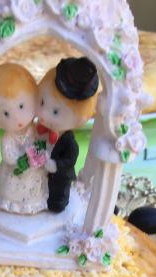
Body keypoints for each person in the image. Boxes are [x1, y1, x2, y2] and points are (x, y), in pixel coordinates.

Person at [0, 63, 49, 214]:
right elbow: (8, 156)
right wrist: (22, 158)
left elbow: (41, 144)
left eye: (21, 106)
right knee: (11, 188)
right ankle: (13, 203)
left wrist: (38, 153)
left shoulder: (35, 129)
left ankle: (36, 199)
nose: (18, 118)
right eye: (6, 113)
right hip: (15, 172)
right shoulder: (8, 138)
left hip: (35, 172)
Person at [37, 57, 99, 213]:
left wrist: (54, 165)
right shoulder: (39, 129)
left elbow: (69, 161)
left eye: (55, 112)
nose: (43, 114)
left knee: (56, 201)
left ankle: (57, 203)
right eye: (42, 102)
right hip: (38, 178)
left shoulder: (69, 143)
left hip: (58, 178)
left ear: (81, 119)